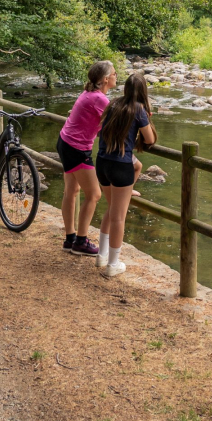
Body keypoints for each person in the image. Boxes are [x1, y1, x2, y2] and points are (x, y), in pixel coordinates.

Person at [95, 72, 156, 278]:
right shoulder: (138, 109)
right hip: (121, 167)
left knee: (111, 209)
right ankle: (113, 264)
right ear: (143, 91)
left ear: (125, 89)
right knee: (119, 217)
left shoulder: (113, 104)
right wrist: (148, 121)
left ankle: (101, 256)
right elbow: (149, 140)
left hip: (102, 163)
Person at [56, 60, 117, 255]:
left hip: (65, 142)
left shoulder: (89, 93)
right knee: (94, 194)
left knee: (71, 191)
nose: (117, 76)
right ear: (106, 79)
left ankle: (70, 239)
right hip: (76, 148)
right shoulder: (100, 99)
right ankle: (81, 242)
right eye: (114, 73)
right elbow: (116, 126)